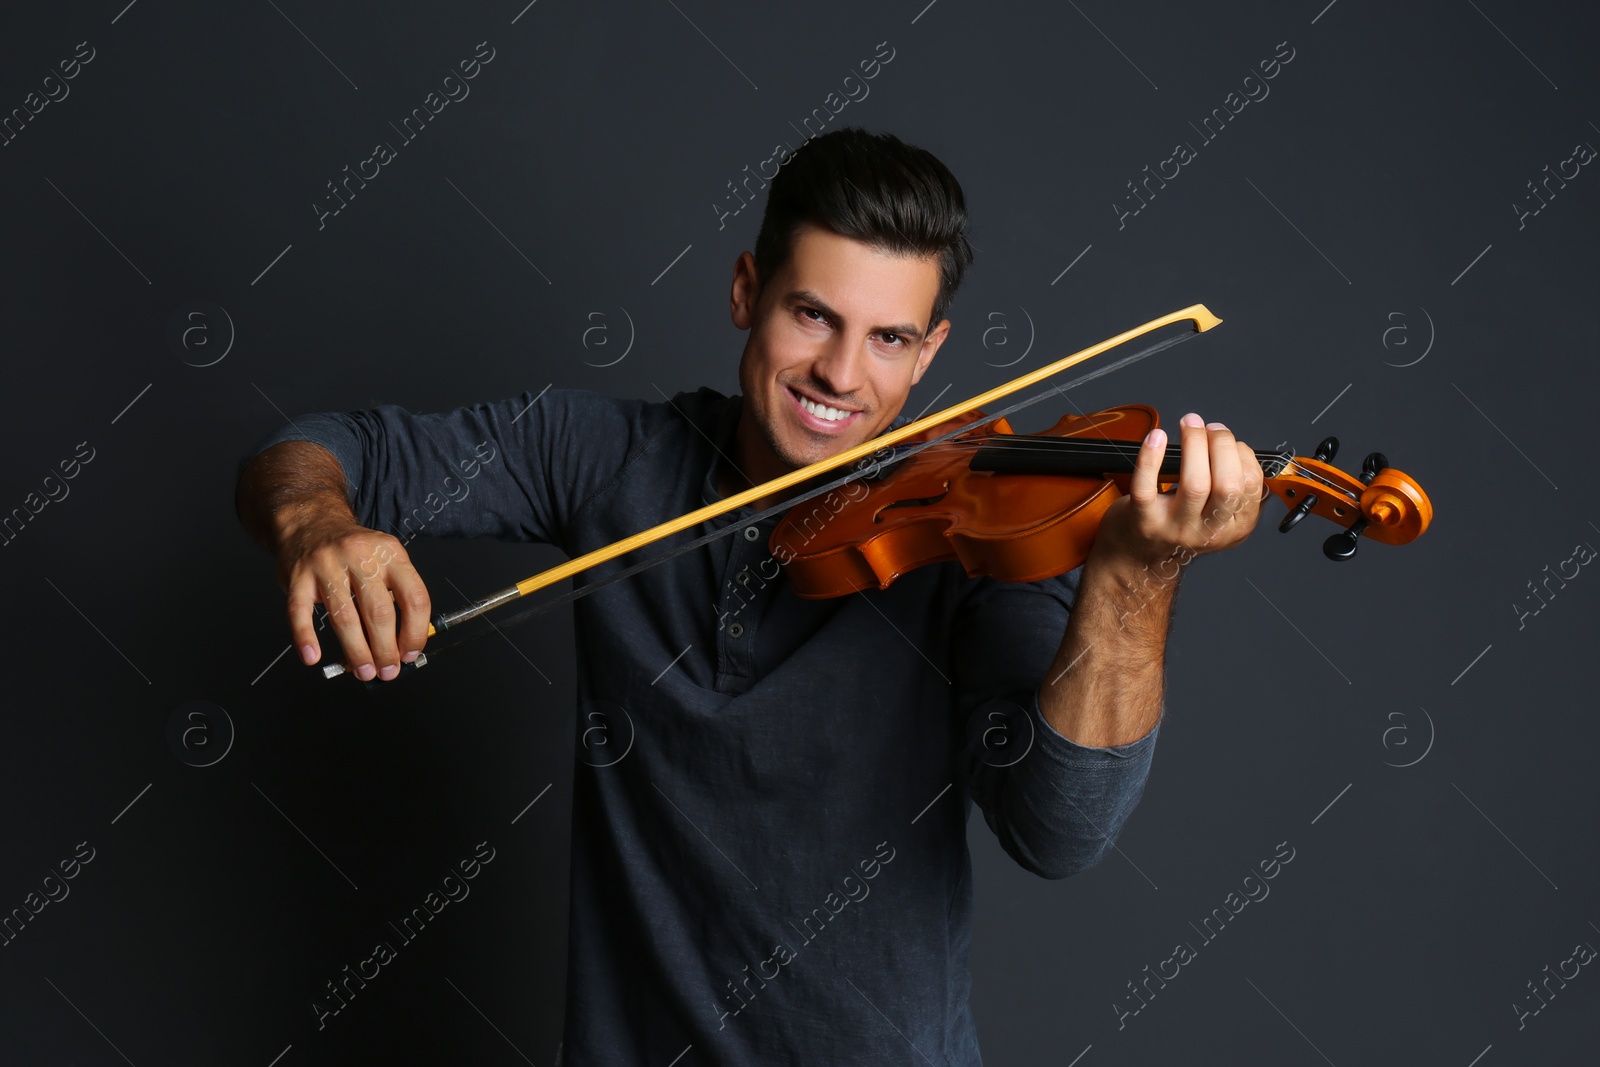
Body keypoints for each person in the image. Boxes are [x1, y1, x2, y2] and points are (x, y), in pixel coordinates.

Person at [235, 126, 1263, 1064]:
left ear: (931, 352)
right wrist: (318, 524)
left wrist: (1137, 574)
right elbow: (324, 450)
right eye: (812, 313)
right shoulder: (605, 459)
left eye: (889, 338)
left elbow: (1058, 831)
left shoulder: (973, 534)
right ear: (745, 291)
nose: (840, 374)